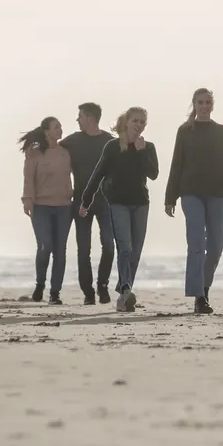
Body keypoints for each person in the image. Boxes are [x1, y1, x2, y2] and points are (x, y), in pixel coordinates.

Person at [164, 87, 223, 315]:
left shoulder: (221, 131)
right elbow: (177, 164)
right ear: (194, 105)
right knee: (197, 243)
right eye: (200, 102)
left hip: (216, 194)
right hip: (191, 193)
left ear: (212, 105)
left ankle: (204, 287)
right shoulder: (185, 131)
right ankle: (199, 297)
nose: (204, 106)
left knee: (217, 245)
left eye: (207, 102)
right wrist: (170, 197)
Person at [80, 107, 159, 313]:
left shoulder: (148, 147)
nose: (138, 125)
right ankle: (125, 291)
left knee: (136, 252)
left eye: (142, 122)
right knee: (125, 248)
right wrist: (85, 201)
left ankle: (124, 290)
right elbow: (98, 174)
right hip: (118, 204)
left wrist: (141, 152)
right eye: (135, 121)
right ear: (126, 122)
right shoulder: (113, 147)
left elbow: (153, 174)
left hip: (141, 203)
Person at [60, 102, 116, 305]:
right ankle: (88, 292)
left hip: (106, 202)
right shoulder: (73, 141)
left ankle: (103, 286)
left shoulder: (109, 142)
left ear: (90, 118)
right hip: (81, 202)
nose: (77, 120)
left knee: (109, 246)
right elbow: (51, 146)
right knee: (83, 250)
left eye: (80, 116)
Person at [18, 117, 73, 305]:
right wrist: (27, 200)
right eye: (57, 127)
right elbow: (28, 178)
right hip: (41, 207)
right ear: (47, 132)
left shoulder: (66, 153)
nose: (61, 130)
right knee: (45, 246)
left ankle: (55, 293)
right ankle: (40, 283)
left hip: (64, 207)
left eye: (61, 126)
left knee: (60, 251)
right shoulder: (34, 154)